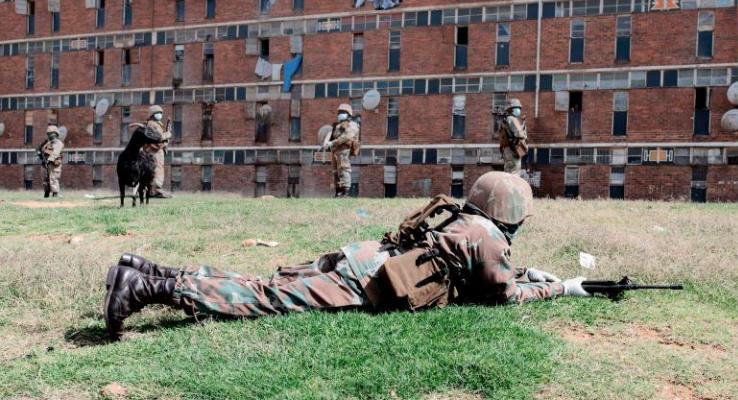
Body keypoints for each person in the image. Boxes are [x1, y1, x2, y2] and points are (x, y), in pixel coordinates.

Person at [103, 172, 590, 339]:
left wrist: (526, 271)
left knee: (266, 284)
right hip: (366, 280)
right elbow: (500, 296)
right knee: (266, 300)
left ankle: (145, 270)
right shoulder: (490, 237)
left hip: (365, 256)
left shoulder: (467, 221)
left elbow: (475, 273)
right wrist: (560, 287)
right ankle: (150, 288)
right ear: (514, 213)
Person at [324, 103, 360, 197]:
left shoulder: (352, 125)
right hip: (335, 151)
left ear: (348, 114)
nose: (340, 114)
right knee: (335, 171)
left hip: (344, 150)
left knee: (344, 169)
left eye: (343, 112)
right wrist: (327, 143)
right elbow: (331, 135)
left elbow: (346, 137)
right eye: (339, 112)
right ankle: (338, 191)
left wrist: (332, 143)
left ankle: (345, 192)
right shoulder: (337, 126)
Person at [144, 105, 172, 198]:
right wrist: (167, 134)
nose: (159, 115)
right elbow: (158, 137)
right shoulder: (152, 124)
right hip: (154, 152)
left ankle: (151, 191)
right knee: (157, 170)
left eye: (160, 113)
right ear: (152, 114)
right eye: (157, 113)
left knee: (155, 170)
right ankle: (156, 190)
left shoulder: (156, 124)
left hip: (156, 151)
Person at [498, 98, 528, 175]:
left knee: (508, 172)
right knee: (514, 173)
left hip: (507, 149)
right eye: (517, 108)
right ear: (510, 109)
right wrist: (524, 132)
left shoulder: (506, 120)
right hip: (513, 150)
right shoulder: (512, 119)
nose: (518, 110)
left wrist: (522, 125)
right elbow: (519, 135)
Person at [38, 125, 64, 198]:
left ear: (56, 134)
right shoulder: (46, 143)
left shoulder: (58, 143)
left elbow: (55, 152)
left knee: (53, 178)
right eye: (49, 133)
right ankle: (46, 193)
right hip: (45, 163)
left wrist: (50, 159)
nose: (50, 135)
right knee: (45, 179)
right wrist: (39, 153)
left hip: (53, 164)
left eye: (52, 133)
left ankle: (55, 194)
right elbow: (41, 150)